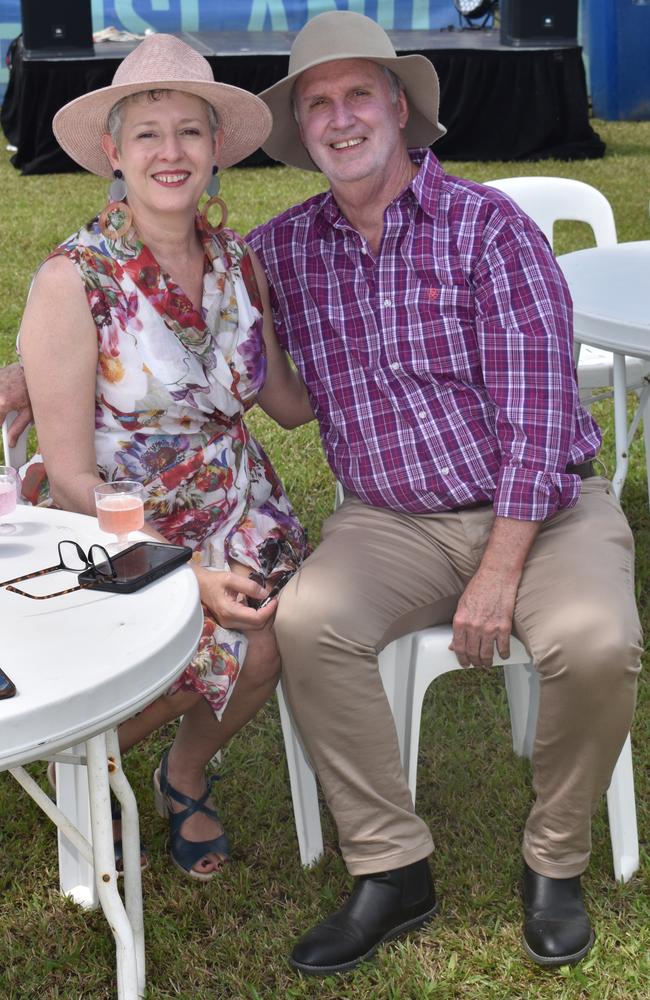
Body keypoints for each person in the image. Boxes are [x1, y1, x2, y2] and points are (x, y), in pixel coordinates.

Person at [244, 10, 643, 975]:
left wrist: (501, 569)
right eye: (318, 104)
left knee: (598, 641)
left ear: (399, 109)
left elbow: (541, 422)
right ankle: (391, 868)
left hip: (542, 507)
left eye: (358, 96)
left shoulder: (489, 229)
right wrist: (31, 373)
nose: (341, 119)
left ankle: (554, 860)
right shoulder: (282, 249)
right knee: (308, 623)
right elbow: (163, 291)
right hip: (388, 518)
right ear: (303, 132)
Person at [11, 34, 312, 880]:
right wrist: (180, 573)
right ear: (113, 151)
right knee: (204, 632)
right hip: (123, 526)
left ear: (218, 148)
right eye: (147, 134)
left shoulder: (238, 264)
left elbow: (287, 403)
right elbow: (69, 480)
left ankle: (179, 775)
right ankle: (86, 767)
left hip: (242, 505)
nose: (170, 152)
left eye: (190, 131)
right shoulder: (74, 280)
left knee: (275, 631)